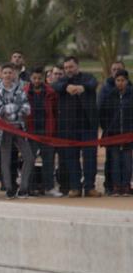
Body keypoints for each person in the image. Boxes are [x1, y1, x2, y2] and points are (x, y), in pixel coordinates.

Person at [55, 56, 100, 197]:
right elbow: (54, 86)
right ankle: (75, 187)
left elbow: (94, 83)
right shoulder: (62, 82)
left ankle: (90, 187)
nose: (68, 70)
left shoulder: (88, 78)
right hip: (69, 127)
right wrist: (66, 87)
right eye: (66, 67)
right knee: (71, 158)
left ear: (77, 66)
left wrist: (82, 88)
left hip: (88, 125)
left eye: (71, 67)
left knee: (90, 158)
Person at [0, 63, 33, 198]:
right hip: (3, 130)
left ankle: (23, 188)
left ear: (14, 74)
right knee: (5, 160)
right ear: (1, 75)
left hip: (19, 129)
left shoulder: (20, 90)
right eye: (5, 73)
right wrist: (16, 108)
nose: (8, 75)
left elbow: (27, 109)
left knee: (29, 158)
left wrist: (9, 109)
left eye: (10, 73)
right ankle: (9, 188)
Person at [24, 67, 60, 197]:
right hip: (31, 131)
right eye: (34, 78)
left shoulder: (50, 92)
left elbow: (55, 111)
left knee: (49, 160)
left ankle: (49, 187)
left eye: (39, 78)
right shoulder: (25, 92)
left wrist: (53, 128)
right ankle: (30, 187)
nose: (37, 81)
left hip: (47, 131)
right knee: (30, 159)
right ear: (30, 78)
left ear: (43, 78)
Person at [101, 69, 133, 196]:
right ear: (114, 81)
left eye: (123, 80)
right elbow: (103, 115)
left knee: (127, 161)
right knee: (114, 161)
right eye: (118, 80)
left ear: (127, 81)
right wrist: (107, 129)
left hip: (128, 135)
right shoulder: (109, 96)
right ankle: (116, 186)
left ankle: (125, 185)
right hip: (113, 135)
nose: (120, 83)